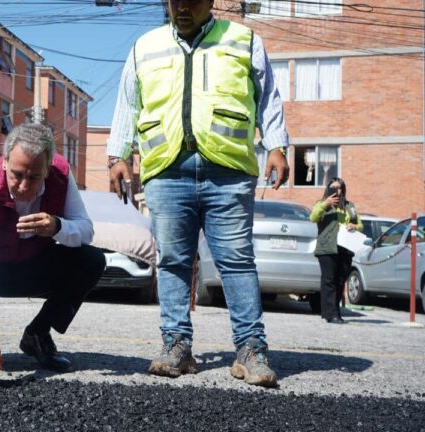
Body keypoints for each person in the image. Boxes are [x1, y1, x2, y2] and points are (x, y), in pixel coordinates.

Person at [106, 0, 290, 387]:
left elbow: (267, 96)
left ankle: (250, 349)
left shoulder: (243, 39)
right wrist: (118, 154)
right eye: (175, 1)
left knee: (237, 261)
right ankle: (177, 346)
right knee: (173, 260)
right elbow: (128, 101)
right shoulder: (145, 46)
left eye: (192, 0)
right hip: (166, 170)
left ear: (211, 2)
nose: (183, 8)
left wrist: (276, 145)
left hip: (229, 171)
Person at [0, 123, 104, 373]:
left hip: (33, 265)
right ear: (4, 162)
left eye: (34, 177)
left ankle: (38, 335)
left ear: (47, 168)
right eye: (17, 174)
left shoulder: (61, 174)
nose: (24, 186)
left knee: (91, 259)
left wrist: (57, 226)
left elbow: (86, 231)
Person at [309, 178, 362, 324]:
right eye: (333, 188)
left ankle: (330, 312)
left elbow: (360, 225)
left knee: (340, 281)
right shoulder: (321, 204)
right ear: (328, 189)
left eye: (339, 188)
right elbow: (313, 217)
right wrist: (326, 204)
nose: (336, 190)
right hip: (327, 248)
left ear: (343, 190)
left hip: (345, 248)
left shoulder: (349, 206)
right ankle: (332, 314)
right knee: (329, 280)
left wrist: (354, 226)